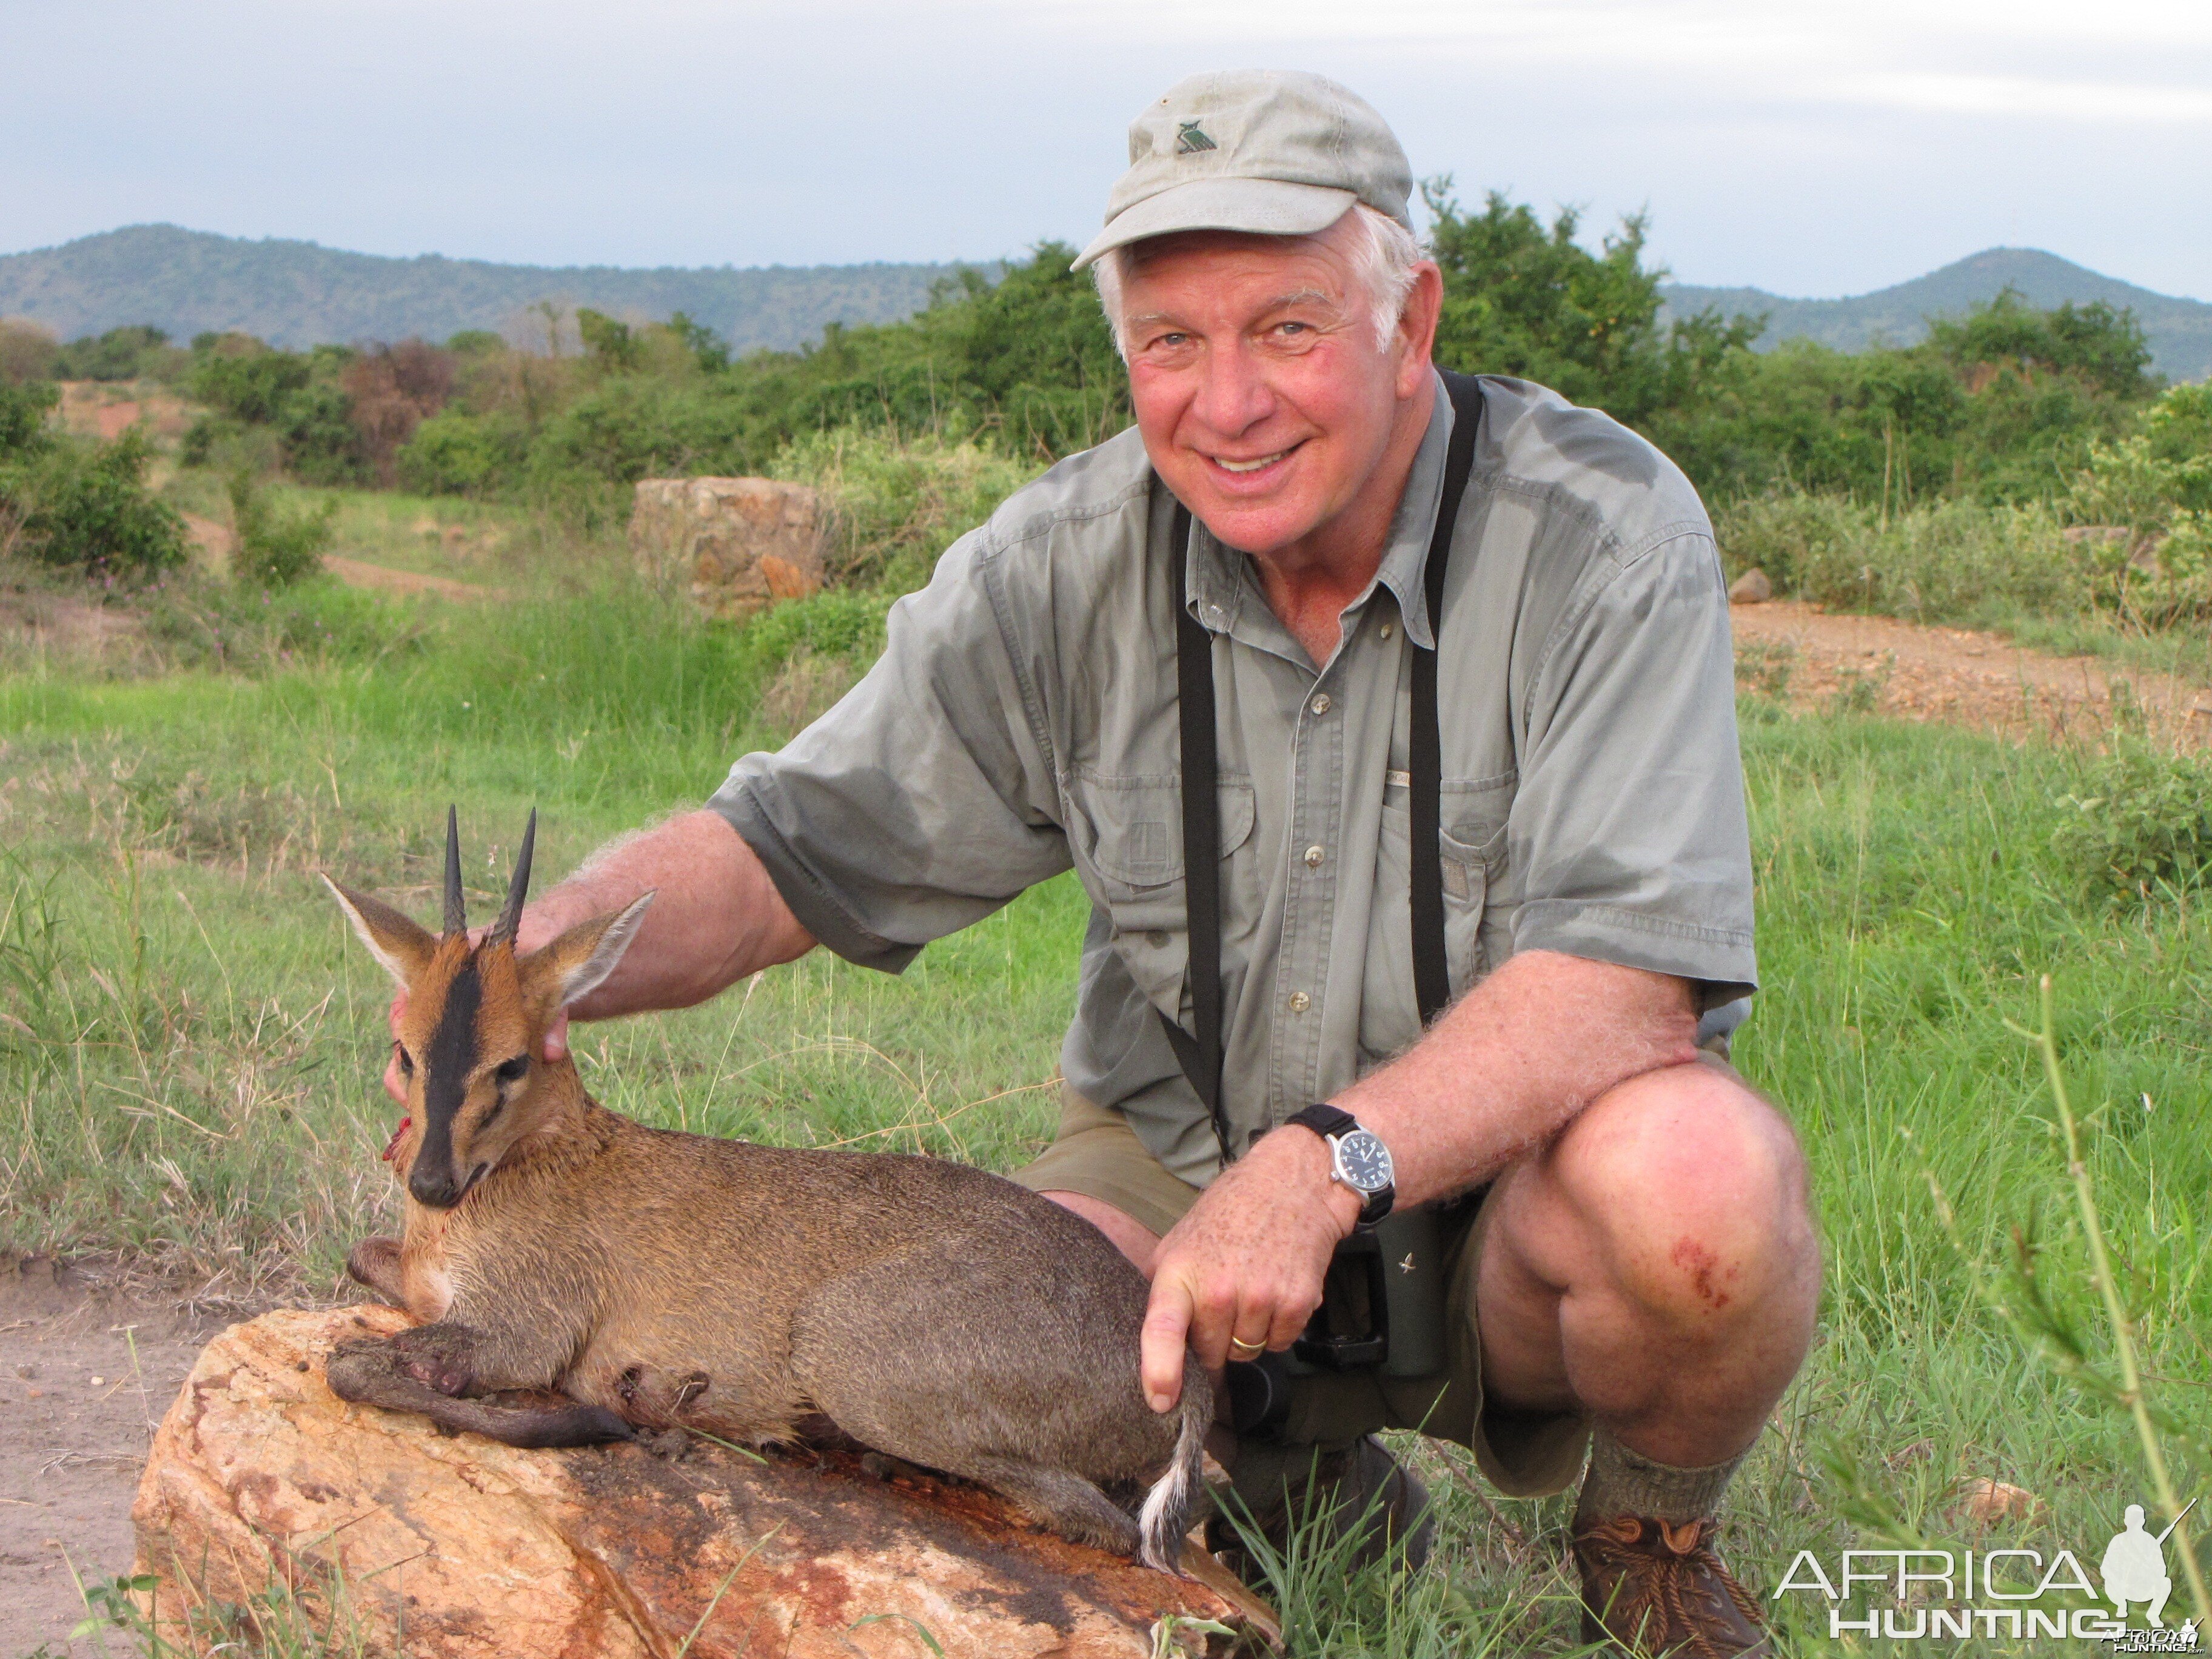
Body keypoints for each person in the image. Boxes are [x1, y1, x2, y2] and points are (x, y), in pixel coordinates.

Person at [381, 70, 1819, 1656]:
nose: (1227, 402)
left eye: (1284, 329)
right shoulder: (1063, 561)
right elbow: (786, 853)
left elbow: (1629, 988)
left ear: (1409, 326)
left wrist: (1324, 1161)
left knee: (1702, 1183)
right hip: (1170, 1195)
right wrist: (515, 976)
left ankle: (1645, 1542)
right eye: (1169, 345)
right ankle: (1281, 1490)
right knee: (922, 1358)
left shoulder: (1602, 534)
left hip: (1503, 1210)